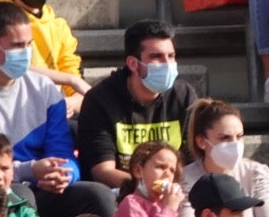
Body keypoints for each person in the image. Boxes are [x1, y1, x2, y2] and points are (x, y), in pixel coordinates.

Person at [0, 1, 116, 217]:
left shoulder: (44, 89)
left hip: (41, 188)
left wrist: (61, 175)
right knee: (22, 196)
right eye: (16, 46)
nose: (25, 53)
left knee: (98, 197)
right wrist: (30, 170)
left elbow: (63, 153)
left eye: (29, 45)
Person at [77, 21, 195, 185]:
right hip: (121, 191)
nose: (167, 64)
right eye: (156, 57)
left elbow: (193, 160)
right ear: (133, 63)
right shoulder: (99, 100)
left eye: (171, 56)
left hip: (176, 191)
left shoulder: (183, 96)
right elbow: (103, 172)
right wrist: (150, 187)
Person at [172, 100, 269, 217]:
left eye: (239, 136)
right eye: (224, 138)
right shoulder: (186, 179)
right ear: (201, 141)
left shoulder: (255, 173)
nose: (234, 144)